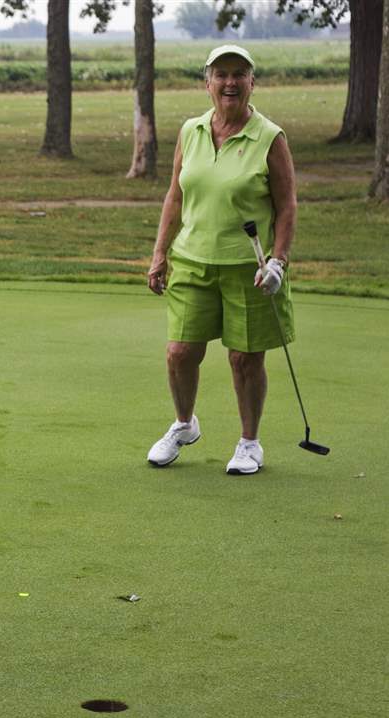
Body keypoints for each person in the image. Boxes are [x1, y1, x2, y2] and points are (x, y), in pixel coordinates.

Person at [146, 45, 296, 475]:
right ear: (207, 81)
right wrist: (160, 253)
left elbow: (287, 206)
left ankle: (249, 443)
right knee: (179, 352)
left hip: (248, 270)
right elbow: (176, 195)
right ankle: (183, 425)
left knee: (244, 358)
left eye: (239, 74)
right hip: (192, 260)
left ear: (253, 82)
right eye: (221, 74)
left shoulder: (270, 137)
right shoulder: (191, 131)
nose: (230, 82)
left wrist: (278, 262)